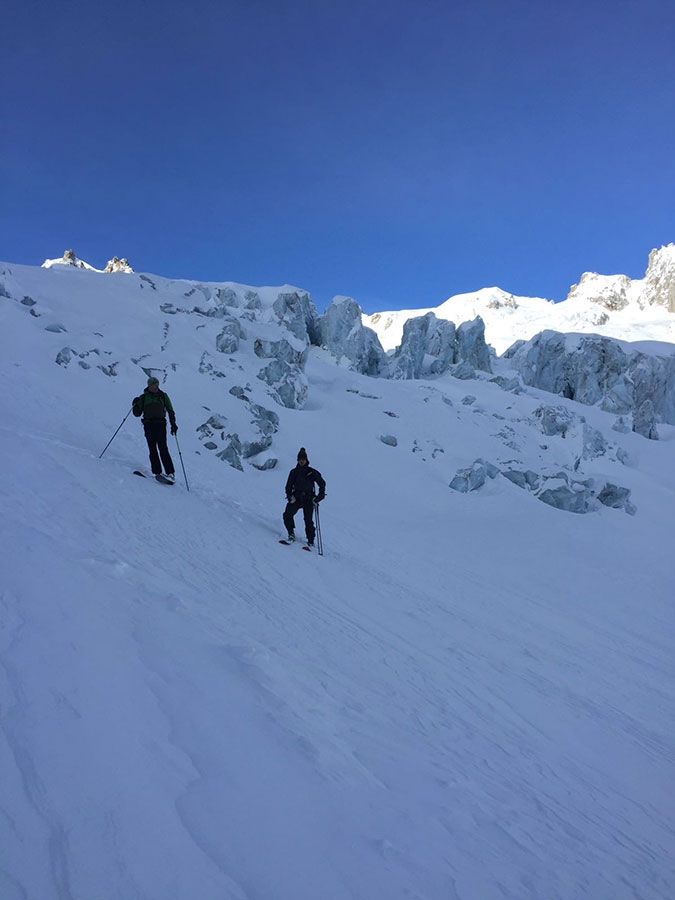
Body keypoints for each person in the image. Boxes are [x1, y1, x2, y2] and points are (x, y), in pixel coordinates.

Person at [132, 376, 178, 480]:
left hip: (160, 424)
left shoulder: (163, 396)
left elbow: (170, 410)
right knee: (152, 449)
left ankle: (170, 473)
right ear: (149, 385)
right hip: (148, 425)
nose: (156, 387)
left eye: (157, 385)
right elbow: (137, 413)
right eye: (154, 385)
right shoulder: (143, 398)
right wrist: (135, 404)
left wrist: (173, 424)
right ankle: (157, 472)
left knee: (163, 448)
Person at [283, 447, 325, 546]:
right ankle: (291, 533)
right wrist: (290, 497)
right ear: (298, 460)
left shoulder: (311, 472)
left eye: (303, 459)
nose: (301, 461)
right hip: (296, 498)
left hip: (309, 499)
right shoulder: (294, 472)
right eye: (300, 459)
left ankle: (310, 541)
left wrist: (318, 498)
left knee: (308, 520)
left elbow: (322, 484)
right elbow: (288, 486)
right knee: (287, 514)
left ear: (306, 460)